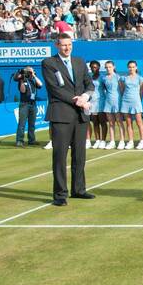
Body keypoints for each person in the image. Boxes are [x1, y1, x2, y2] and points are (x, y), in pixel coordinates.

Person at [42, 32, 94, 206]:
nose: (67, 48)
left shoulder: (79, 62)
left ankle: (79, 190)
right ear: (57, 45)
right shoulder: (49, 63)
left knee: (80, 155)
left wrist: (86, 96)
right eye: (64, 45)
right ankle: (60, 195)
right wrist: (77, 100)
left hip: (80, 116)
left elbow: (89, 84)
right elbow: (55, 89)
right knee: (60, 157)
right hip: (61, 115)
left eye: (69, 44)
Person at [14, 66, 43, 147]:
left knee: (32, 124)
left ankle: (31, 140)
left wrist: (34, 76)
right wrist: (22, 79)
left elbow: (41, 85)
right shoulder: (22, 80)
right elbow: (22, 90)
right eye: (30, 71)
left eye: (32, 71)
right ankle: (19, 140)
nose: (31, 72)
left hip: (33, 104)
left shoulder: (33, 80)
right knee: (22, 123)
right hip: (24, 104)